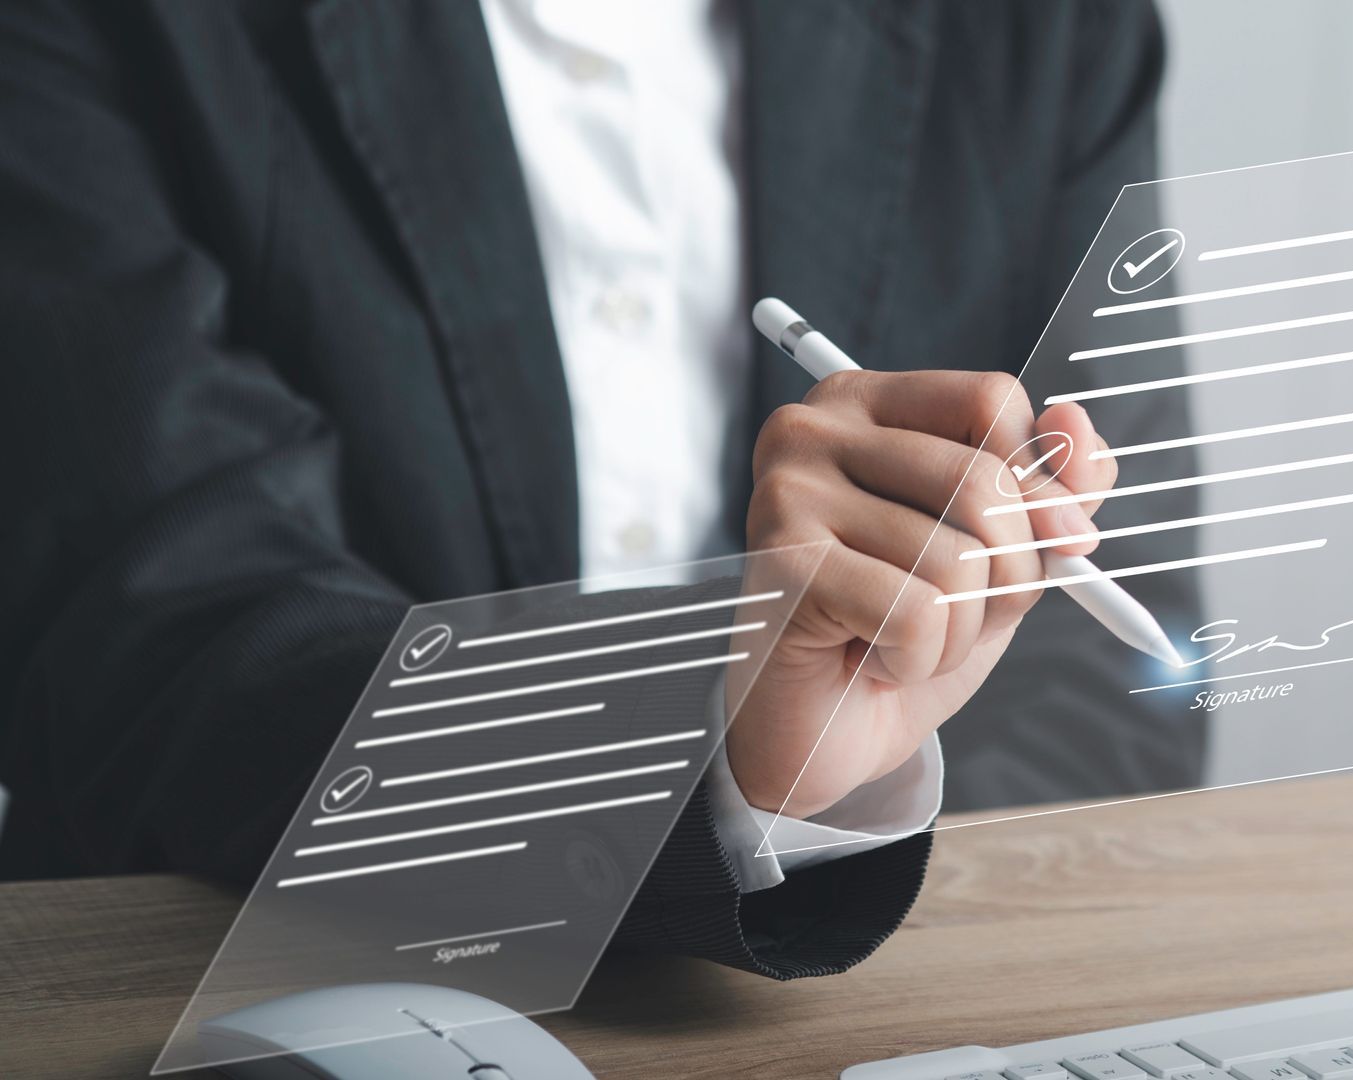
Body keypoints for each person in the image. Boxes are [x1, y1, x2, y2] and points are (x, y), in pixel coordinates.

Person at [0, 0, 1200, 979]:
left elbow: (1116, 686)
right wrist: (723, 768)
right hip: (260, 995)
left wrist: (835, 842)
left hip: (855, 1028)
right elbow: (164, 621)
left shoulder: (1045, 32)